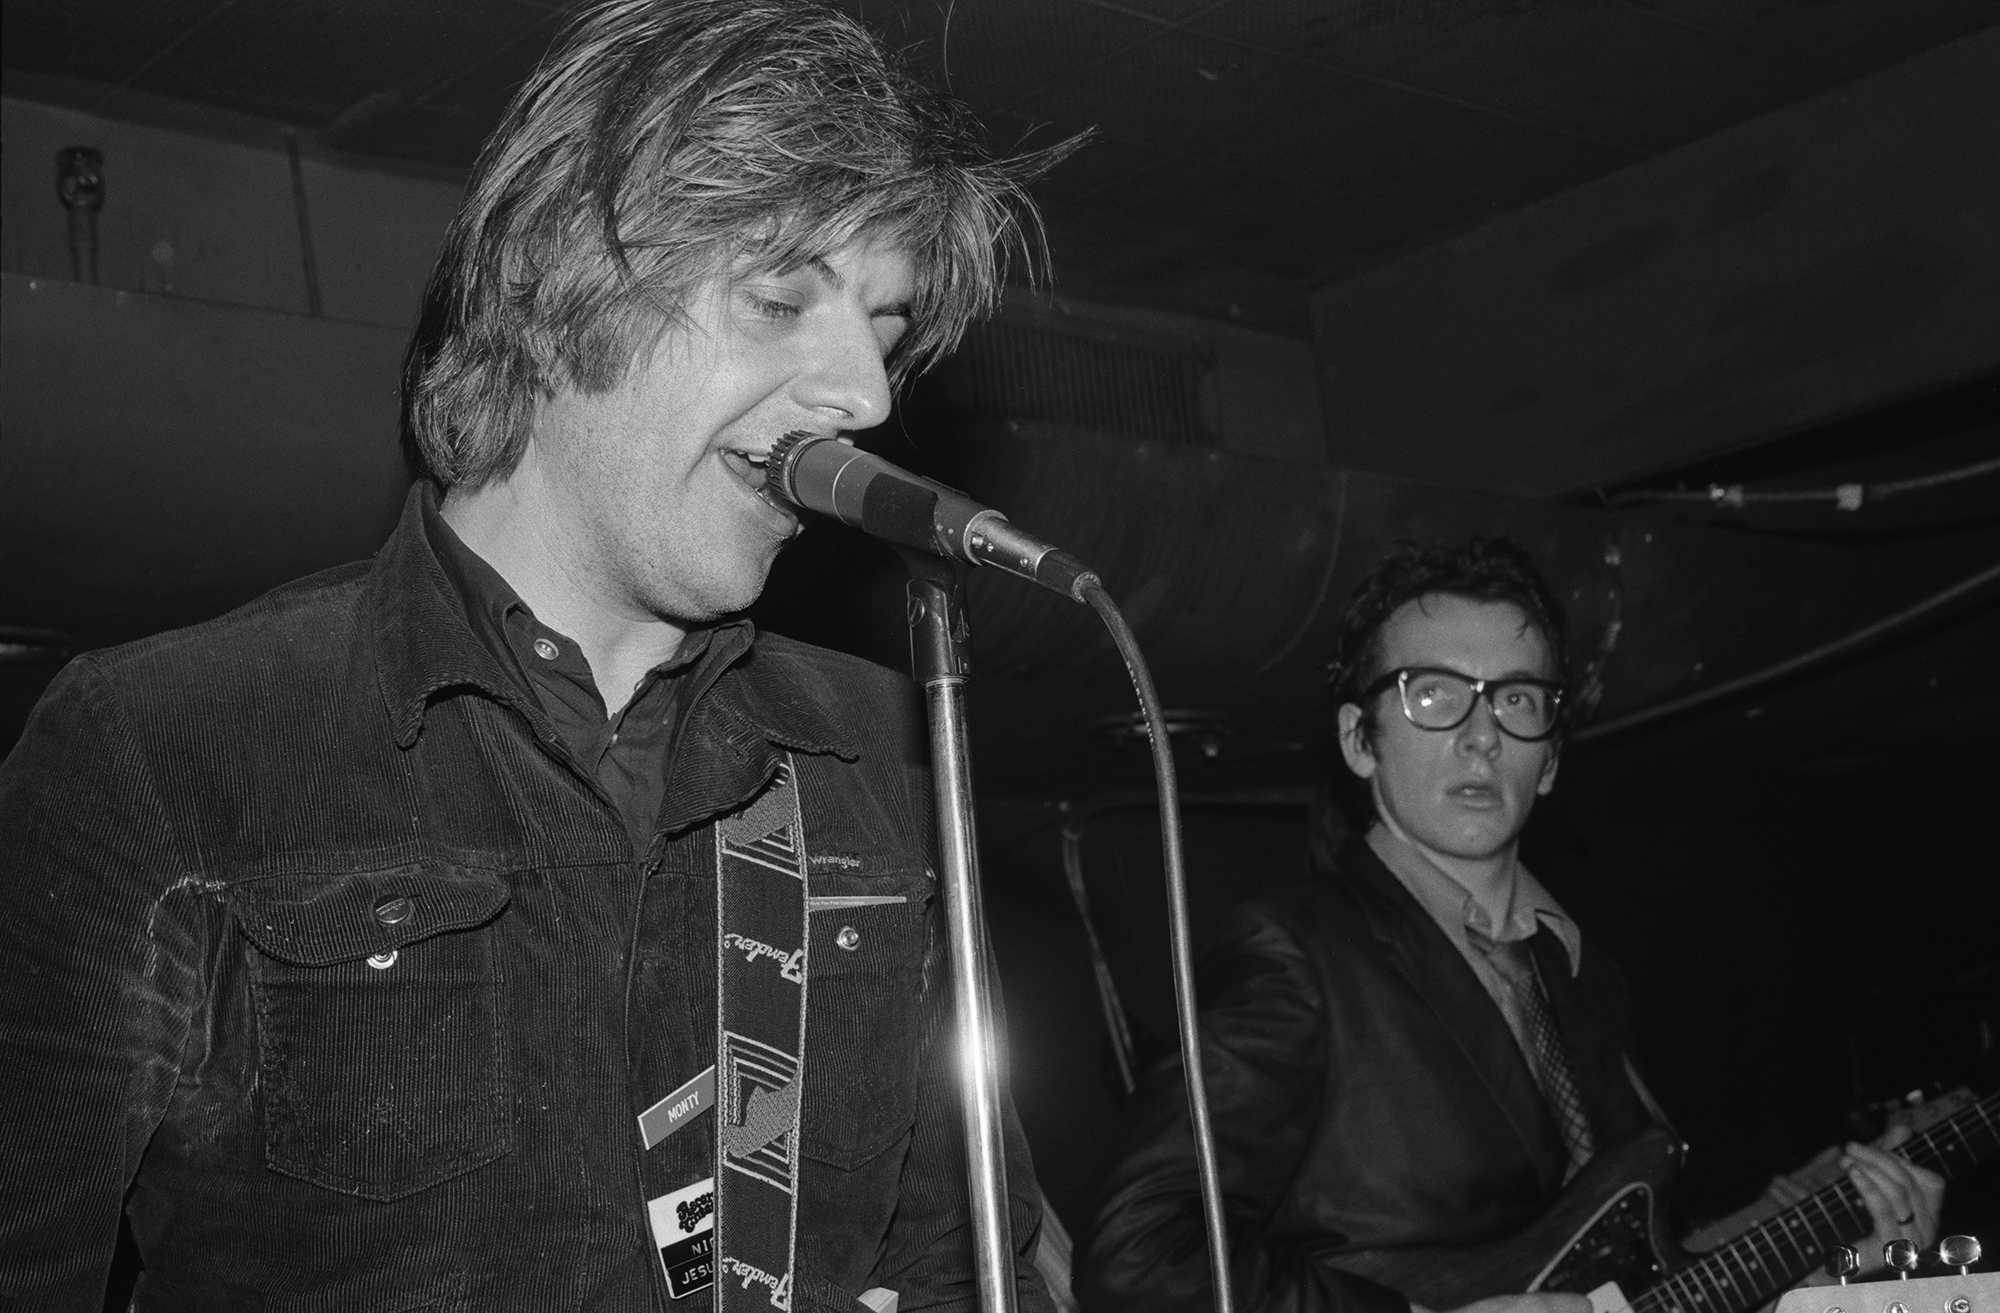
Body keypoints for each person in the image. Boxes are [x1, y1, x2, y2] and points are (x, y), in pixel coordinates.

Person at [0, 2, 1075, 1307]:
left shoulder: (885, 757)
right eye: (783, 296)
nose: (868, 392)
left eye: (888, 329)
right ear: (555, 285)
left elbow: (972, 1249)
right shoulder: (157, 749)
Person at [1079, 536, 1944, 1313]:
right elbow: (1140, 1257)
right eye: (1433, 694)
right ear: (1358, 739)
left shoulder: (1586, 979)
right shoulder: (1295, 955)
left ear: (1554, 755)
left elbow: (1639, 1282)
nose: (1481, 735)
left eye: (1518, 699)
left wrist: (1831, 1270)